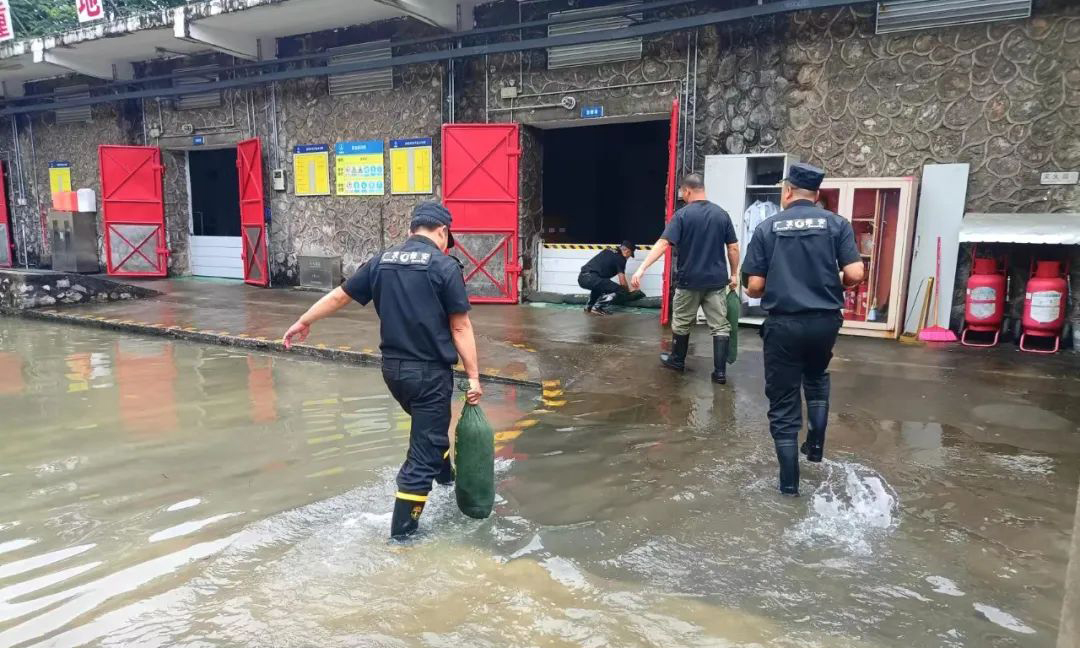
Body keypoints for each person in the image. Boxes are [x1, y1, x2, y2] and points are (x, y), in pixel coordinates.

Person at [281, 202, 483, 539]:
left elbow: (339, 296)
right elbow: (460, 327)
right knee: (422, 455)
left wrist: (304, 321)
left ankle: (446, 480)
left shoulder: (381, 261)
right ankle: (402, 540)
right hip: (429, 375)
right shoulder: (445, 266)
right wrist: (474, 377)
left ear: (411, 229)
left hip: (393, 373)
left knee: (430, 428)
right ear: (443, 232)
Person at [741, 163, 865, 496]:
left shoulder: (768, 228)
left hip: (784, 324)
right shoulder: (836, 224)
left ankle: (789, 486)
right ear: (816, 194)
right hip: (825, 322)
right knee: (816, 375)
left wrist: (770, 284)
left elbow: (755, 287)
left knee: (783, 401)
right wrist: (831, 281)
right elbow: (855, 273)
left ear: (787, 192)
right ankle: (816, 445)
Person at [630, 173, 739, 384]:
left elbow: (663, 243)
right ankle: (720, 373)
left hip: (689, 281)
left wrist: (641, 268)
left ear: (687, 191)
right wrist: (733, 274)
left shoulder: (682, 215)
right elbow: (733, 248)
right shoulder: (721, 215)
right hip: (716, 282)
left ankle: (677, 361)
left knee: (681, 323)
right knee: (720, 326)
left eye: (683, 193)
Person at [577, 241, 638, 315]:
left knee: (600, 287)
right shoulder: (621, 258)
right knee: (620, 290)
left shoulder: (608, 250)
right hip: (592, 278)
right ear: (627, 251)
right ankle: (597, 307)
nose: (628, 258)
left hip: (582, 278)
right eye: (630, 255)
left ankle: (589, 307)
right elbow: (622, 281)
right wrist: (627, 292)